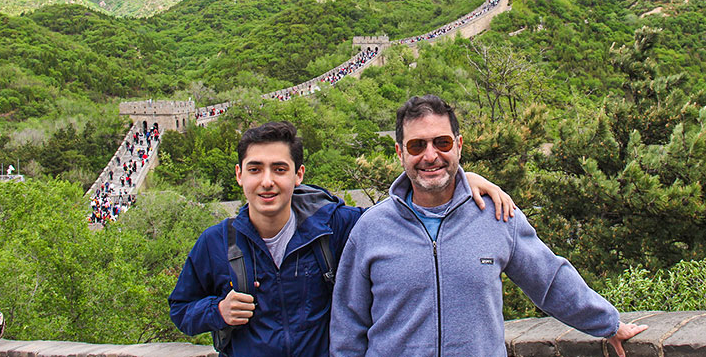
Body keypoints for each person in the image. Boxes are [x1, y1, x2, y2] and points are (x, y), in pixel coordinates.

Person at [330, 95, 647, 357]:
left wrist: (607, 323)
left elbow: (548, 280)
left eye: (441, 142)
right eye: (417, 146)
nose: (430, 155)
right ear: (400, 153)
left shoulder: (495, 214)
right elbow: (348, 326)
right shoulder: (371, 229)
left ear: (458, 146)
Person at [168, 121, 517, 356]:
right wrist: (216, 311)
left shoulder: (334, 228)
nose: (267, 182)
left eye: (279, 169)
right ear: (239, 175)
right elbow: (180, 308)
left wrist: (457, 180)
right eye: (255, 169)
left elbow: (399, 221)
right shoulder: (217, 243)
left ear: (298, 175)